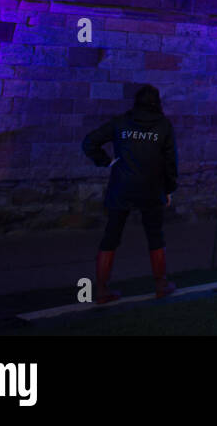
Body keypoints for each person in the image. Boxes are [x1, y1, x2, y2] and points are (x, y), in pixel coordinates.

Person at [82, 84, 178, 303]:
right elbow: (170, 162)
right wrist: (169, 189)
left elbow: (89, 142)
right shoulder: (163, 126)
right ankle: (161, 285)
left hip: (122, 186)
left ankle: (101, 290)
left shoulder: (121, 122)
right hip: (152, 188)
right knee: (155, 235)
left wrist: (106, 162)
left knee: (111, 235)